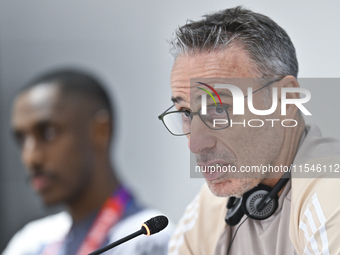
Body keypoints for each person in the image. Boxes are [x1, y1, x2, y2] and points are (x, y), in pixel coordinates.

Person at [158, 6, 340, 255]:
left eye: (219, 109)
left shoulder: (332, 190)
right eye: (187, 113)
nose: (195, 144)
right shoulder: (211, 207)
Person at [4, 69, 172, 255]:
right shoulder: (31, 242)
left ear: (100, 131)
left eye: (48, 133)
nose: (30, 158)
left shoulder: (147, 242)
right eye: (22, 140)